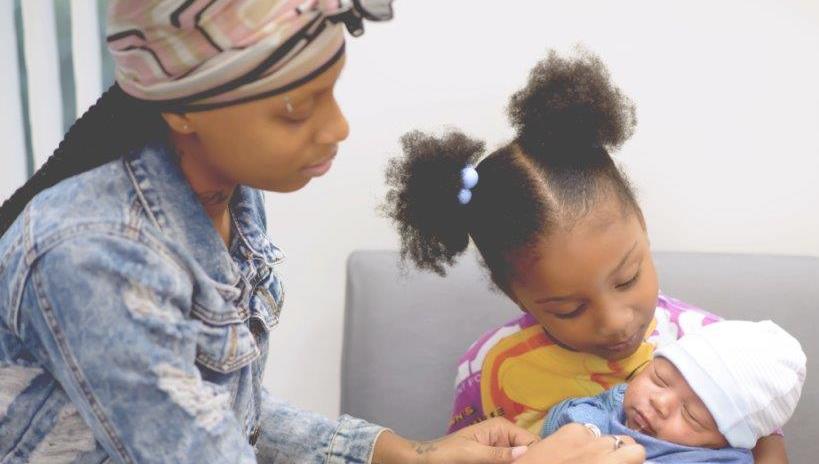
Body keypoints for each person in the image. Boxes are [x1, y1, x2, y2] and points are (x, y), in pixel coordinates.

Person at [0, 1, 643, 463]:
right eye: (294, 110)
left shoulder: (226, 197)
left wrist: (402, 454)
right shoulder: (93, 257)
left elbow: (224, 416)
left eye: (331, 92)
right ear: (184, 108)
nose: (336, 128)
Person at [382, 48, 787, 462]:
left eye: (627, 279)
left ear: (643, 227)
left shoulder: (709, 343)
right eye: (571, 309)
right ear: (516, 295)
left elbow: (766, 438)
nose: (616, 322)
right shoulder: (489, 368)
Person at [543, 320, 806, 463]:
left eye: (691, 415)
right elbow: (564, 418)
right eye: (659, 379)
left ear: (724, 441)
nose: (659, 402)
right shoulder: (619, 401)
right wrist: (585, 429)